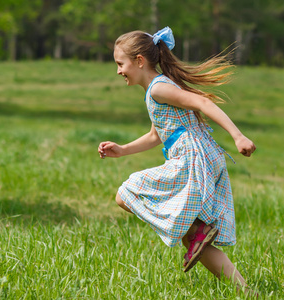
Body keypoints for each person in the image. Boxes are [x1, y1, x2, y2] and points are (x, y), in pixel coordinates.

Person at [98, 27, 256, 289]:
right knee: (191, 237)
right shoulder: (155, 89)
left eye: (120, 64)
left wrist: (238, 136)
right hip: (199, 157)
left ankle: (193, 228)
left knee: (125, 193)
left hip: (192, 159)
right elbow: (156, 135)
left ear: (139, 61)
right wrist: (123, 149)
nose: (118, 71)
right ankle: (246, 291)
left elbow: (203, 103)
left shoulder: (159, 88)